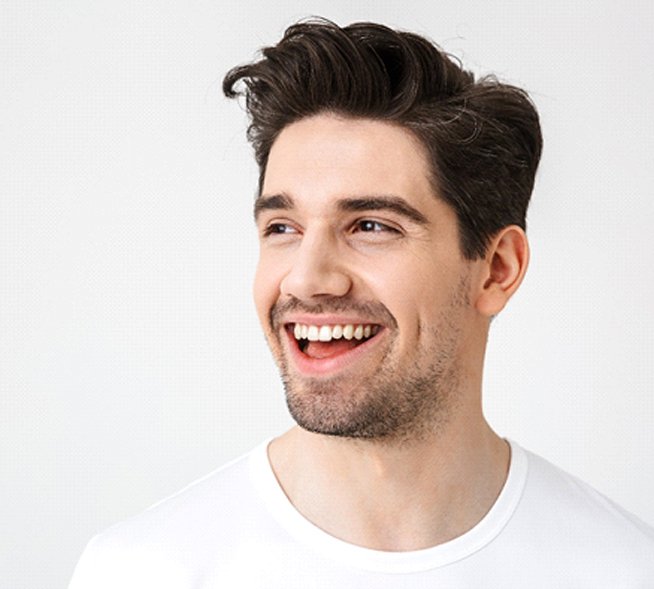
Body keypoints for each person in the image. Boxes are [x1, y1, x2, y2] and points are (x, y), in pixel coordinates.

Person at [69, 19, 654, 588]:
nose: (307, 278)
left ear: (497, 269)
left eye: (371, 225)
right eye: (282, 227)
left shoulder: (624, 569)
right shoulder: (139, 572)